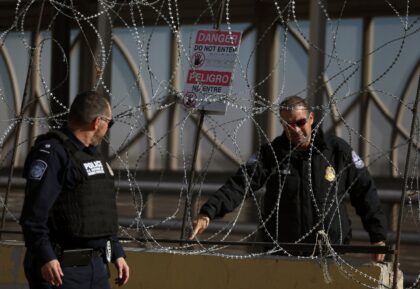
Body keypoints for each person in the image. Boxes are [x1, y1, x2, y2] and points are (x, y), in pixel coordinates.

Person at [190, 95, 387, 261]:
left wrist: (377, 237)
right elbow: (240, 184)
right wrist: (208, 212)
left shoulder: (336, 150)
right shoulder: (272, 154)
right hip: (282, 255)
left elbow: (365, 191)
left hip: (329, 253)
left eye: (300, 122)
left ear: (310, 118)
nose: (296, 129)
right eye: (288, 124)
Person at [20, 91, 129, 289]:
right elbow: (34, 215)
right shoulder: (53, 154)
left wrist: (117, 253)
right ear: (97, 122)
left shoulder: (92, 157)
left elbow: (99, 210)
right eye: (109, 123)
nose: (108, 129)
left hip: (97, 266)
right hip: (61, 269)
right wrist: (46, 257)